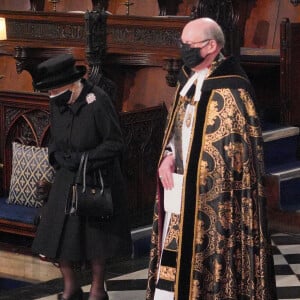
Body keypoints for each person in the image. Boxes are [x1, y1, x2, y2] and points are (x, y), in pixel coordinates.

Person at [146, 18, 277, 300]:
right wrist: (168, 155)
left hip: (216, 202)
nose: (183, 50)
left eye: (189, 45)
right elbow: (178, 130)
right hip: (181, 195)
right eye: (182, 44)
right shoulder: (187, 80)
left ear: (212, 46)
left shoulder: (233, 90)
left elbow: (238, 158)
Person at [31, 54, 132, 300]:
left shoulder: (97, 101)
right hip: (67, 176)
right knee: (57, 236)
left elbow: (115, 143)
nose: (51, 95)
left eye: (54, 89)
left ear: (70, 83)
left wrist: (84, 159)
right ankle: (71, 288)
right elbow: (55, 137)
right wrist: (56, 156)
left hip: (97, 178)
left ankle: (98, 289)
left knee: (96, 240)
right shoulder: (58, 101)